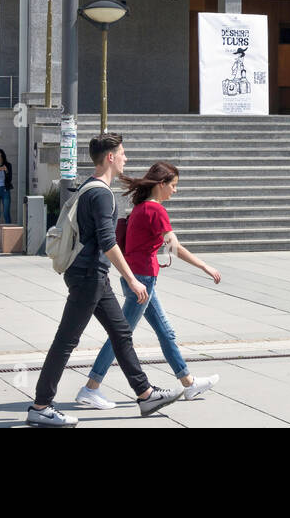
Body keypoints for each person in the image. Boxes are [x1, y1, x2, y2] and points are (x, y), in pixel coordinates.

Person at [27, 133, 185, 427]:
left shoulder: (89, 188)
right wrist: (132, 280)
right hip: (89, 276)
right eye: (122, 153)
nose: (126, 158)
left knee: (121, 333)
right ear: (110, 157)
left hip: (93, 276)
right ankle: (41, 406)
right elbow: (108, 242)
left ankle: (145, 394)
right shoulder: (101, 194)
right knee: (66, 341)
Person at [77, 161, 220, 409]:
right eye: (173, 186)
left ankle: (188, 383)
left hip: (138, 279)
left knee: (165, 333)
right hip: (141, 282)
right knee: (120, 337)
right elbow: (175, 248)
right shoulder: (155, 210)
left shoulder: (140, 207)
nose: (175, 191)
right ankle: (90, 387)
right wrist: (205, 266)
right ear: (161, 184)